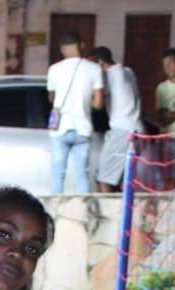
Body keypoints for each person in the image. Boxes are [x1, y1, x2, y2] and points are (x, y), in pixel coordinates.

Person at [47, 31, 104, 193]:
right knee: (82, 175)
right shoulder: (94, 69)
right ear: (82, 45)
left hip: (59, 128)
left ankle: (55, 208)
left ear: (62, 49)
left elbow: (51, 98)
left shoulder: (54, 69)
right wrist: (84, 101)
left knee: (58, 174)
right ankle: (84, 207)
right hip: (83, 128)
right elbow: (99, 104)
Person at [91, 46, 144, 192]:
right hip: (137, 130)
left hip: (122, 130)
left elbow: (97, 102)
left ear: (101, 63)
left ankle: (106, 207)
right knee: (123, 181)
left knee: (102, 178)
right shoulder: (128, 72)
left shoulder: (109, 76)